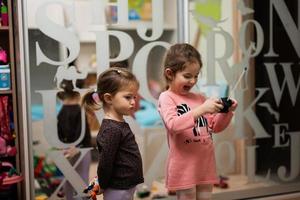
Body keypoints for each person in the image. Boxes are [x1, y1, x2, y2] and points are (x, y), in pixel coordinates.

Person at [158, 43, 237, 200]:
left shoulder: (200, 98)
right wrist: (202, 109)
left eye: (196, 76)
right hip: (184, 167)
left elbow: (215, 127)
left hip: (205, 164)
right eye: (187, 76)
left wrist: (226, 111)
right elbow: (173, 125)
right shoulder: (167, 97)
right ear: (169, 74)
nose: (193, 81)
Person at [82, 67, 144, 200]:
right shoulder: (112, 129)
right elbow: (105, 162)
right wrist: (102, 184)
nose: (133, 102)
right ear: (109, 98)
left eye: (134, 97)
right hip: (118, 187)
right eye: (128, 97)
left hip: (125, 185)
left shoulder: (118, 124)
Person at [56, 79, 92, 200]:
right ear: (78, 92)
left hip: (67, 150)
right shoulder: (79, 110)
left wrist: (63, 146)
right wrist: (77, 147)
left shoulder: (61, 111)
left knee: (68, 180)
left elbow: (58, 131)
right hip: (81, 150)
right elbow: (83, 132)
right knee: (82, 181)